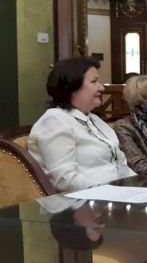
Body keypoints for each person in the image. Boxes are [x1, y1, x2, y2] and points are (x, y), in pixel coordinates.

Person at [28, 57, 135, 193]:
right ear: (72, 87)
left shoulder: (94, 119)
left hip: (117, 194)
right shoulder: (54, 121)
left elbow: (121, 164)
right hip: (83, 201)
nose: (101, 87)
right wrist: (111, 192)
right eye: (94, 81)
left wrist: (139, 185)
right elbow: (64, 179)